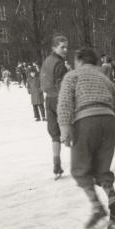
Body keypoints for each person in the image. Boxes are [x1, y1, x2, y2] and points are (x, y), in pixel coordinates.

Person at [57, 47, 115, 229]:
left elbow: (64, 104)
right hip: (109, 122)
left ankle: (97, 208)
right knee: (101, 169)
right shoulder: (106, 80)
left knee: (80, 170)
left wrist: (65, 130)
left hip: (86, 122)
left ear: (79, 61)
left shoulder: (72, 76)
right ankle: (114, 204)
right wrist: (112, 138)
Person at [40, 34, 69, 179]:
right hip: (59, 100)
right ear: (54, 48)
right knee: (69, 131)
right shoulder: (59, 65)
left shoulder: (47, 61)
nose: (65, 50)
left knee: (55, 135)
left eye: (66, 47)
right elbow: (63, 85)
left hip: (48, 100)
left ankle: (56, 165)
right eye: (62, 47)